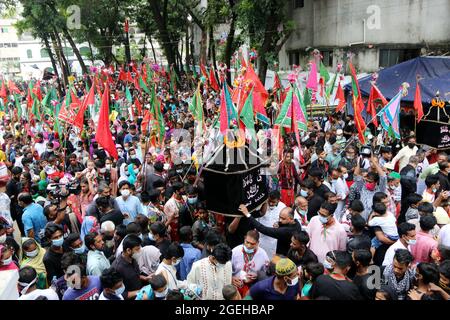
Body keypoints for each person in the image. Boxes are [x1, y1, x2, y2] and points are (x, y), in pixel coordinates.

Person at [231, 230, 269, 296]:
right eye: (247, 242)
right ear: (244, 239)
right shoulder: (235, 252)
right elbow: (226, 269)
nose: (248, 246)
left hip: (253, 286)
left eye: (252, 244)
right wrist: (231, 278)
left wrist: (257, 276)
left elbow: (267, 273)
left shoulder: (263, 255)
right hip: (235, 285)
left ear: (258, 243)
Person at [255, 191, 286, 258]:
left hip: (273, 239)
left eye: (273, 202)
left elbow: (285, 222)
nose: (271, 203)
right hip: (261, 236)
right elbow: (256, 220)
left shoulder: (283, 207)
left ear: (278, 200)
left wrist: (280, 224)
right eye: (269, 201)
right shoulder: (262, 205)